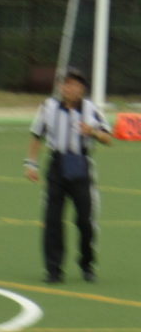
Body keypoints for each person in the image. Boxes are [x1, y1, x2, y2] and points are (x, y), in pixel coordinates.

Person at [25, 68, 111, 284]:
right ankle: (53, 269)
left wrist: (92, 131)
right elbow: (37, 135)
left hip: (81, 164)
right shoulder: (49, 107)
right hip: (58, 164)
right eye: (65, 84)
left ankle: (87, 264)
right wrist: (31, 164)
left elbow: (108, 138)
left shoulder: (91, 109)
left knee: (85, 219)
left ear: (81, 88)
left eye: (73, 84)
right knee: (52, 219)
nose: (68, 88)